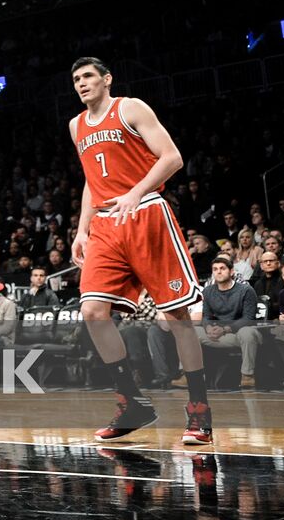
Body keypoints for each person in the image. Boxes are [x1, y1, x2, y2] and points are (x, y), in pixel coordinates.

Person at [67, 57, 209, 444]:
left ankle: (199, 411)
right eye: (76, 79)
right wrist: (81, 229)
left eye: (88, 77)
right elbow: (90, 181)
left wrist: (135, 192)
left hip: (146, 213)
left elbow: (172, 158)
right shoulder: (76, 125)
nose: (81, 84)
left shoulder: (129, 107)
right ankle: (132, 402)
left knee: (176, 316)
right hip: (106, 224)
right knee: (93, 311)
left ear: (106, 79)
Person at [190, 256, 261, 388]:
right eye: (215, 269)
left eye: (222, 268)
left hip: (238, 334)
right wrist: (209, 328)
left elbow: (248, 319)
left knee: (247, 332)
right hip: (217, 333)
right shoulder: (208, 291)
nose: (219, 272)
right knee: (189, 332)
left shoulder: (246, 290)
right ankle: (188, 374)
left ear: (232, 271)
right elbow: (206, 317)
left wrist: (225, 329)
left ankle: (247, 376)